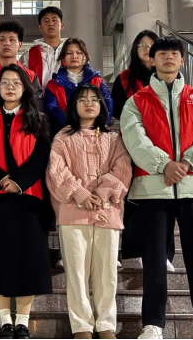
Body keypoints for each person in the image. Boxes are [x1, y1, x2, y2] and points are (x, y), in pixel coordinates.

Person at [121, 37, 193, 340]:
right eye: (162, 53)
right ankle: (153, 324)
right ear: (152, 60)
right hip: (154, 189)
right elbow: (134, 138)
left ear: (182, 60)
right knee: (155, 259)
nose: (169, 58)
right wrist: (163, 164)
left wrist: (188, 163)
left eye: (174, 54)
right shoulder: (136, 101)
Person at [0, 64, 52, 340]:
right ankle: (5, 321)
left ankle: (23, 322)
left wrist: (20, 181)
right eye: (5, 82)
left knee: (28, 259)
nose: (11, 87)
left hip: (29, 197)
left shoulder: (39, 119)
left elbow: (42, 156)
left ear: (25, 87)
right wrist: (1, 180)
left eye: (16, 82)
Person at [46, 84, 132, 340]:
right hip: (72, 212)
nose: (89, 103)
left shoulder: (113, 138)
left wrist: (103, 192)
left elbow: (123, 167)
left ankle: (106, 325)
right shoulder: (63, 137)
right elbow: (56, 171)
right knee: (76, 273)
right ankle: (81, 326)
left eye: (94, 99)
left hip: (107, 211)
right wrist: (81, 193)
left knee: (107, 273)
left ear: (101, 105)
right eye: (82, 99)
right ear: (74, 105)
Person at [112, 30, 176, 272]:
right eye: (142, 45)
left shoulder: (167, 77)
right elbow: (117, 110)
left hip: (164, 145)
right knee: (134, 199)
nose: (147, 49)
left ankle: (164, 254)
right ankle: (136, 252)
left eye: (151, 45)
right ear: (135, 49)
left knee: (164, 200)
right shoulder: (125, 78)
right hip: (133, 144)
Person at [44, 38, 113, 133]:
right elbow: (51, 109)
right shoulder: (53, 85)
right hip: (64, 133)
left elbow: (107, 106)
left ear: (85, 57)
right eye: (69, 53)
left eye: (79, 52)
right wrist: (71, 127)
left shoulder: (97, 81)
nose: (74, 56)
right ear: (63, 58)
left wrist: (97, 126)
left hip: (94, 133)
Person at [19, 6, 67, 90]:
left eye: (54, 20)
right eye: (46, 21)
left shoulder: (72, 52)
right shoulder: (28, 56)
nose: (50, 23)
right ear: (40, 27)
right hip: (38, 98)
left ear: (62, 25)